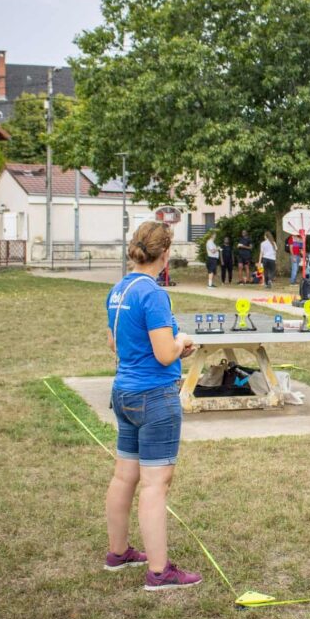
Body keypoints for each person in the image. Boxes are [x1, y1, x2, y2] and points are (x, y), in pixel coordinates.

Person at [104, 221, 201, 591]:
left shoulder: (118, 290)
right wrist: (182, 342)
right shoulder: (154, 294)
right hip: (154, 396)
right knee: (155, 484)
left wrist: (173, 345)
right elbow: (164, 354)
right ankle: (160, 572)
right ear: (164, 256)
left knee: (123, 476)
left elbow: (115, 344)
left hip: (124, 392)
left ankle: (118, 552)